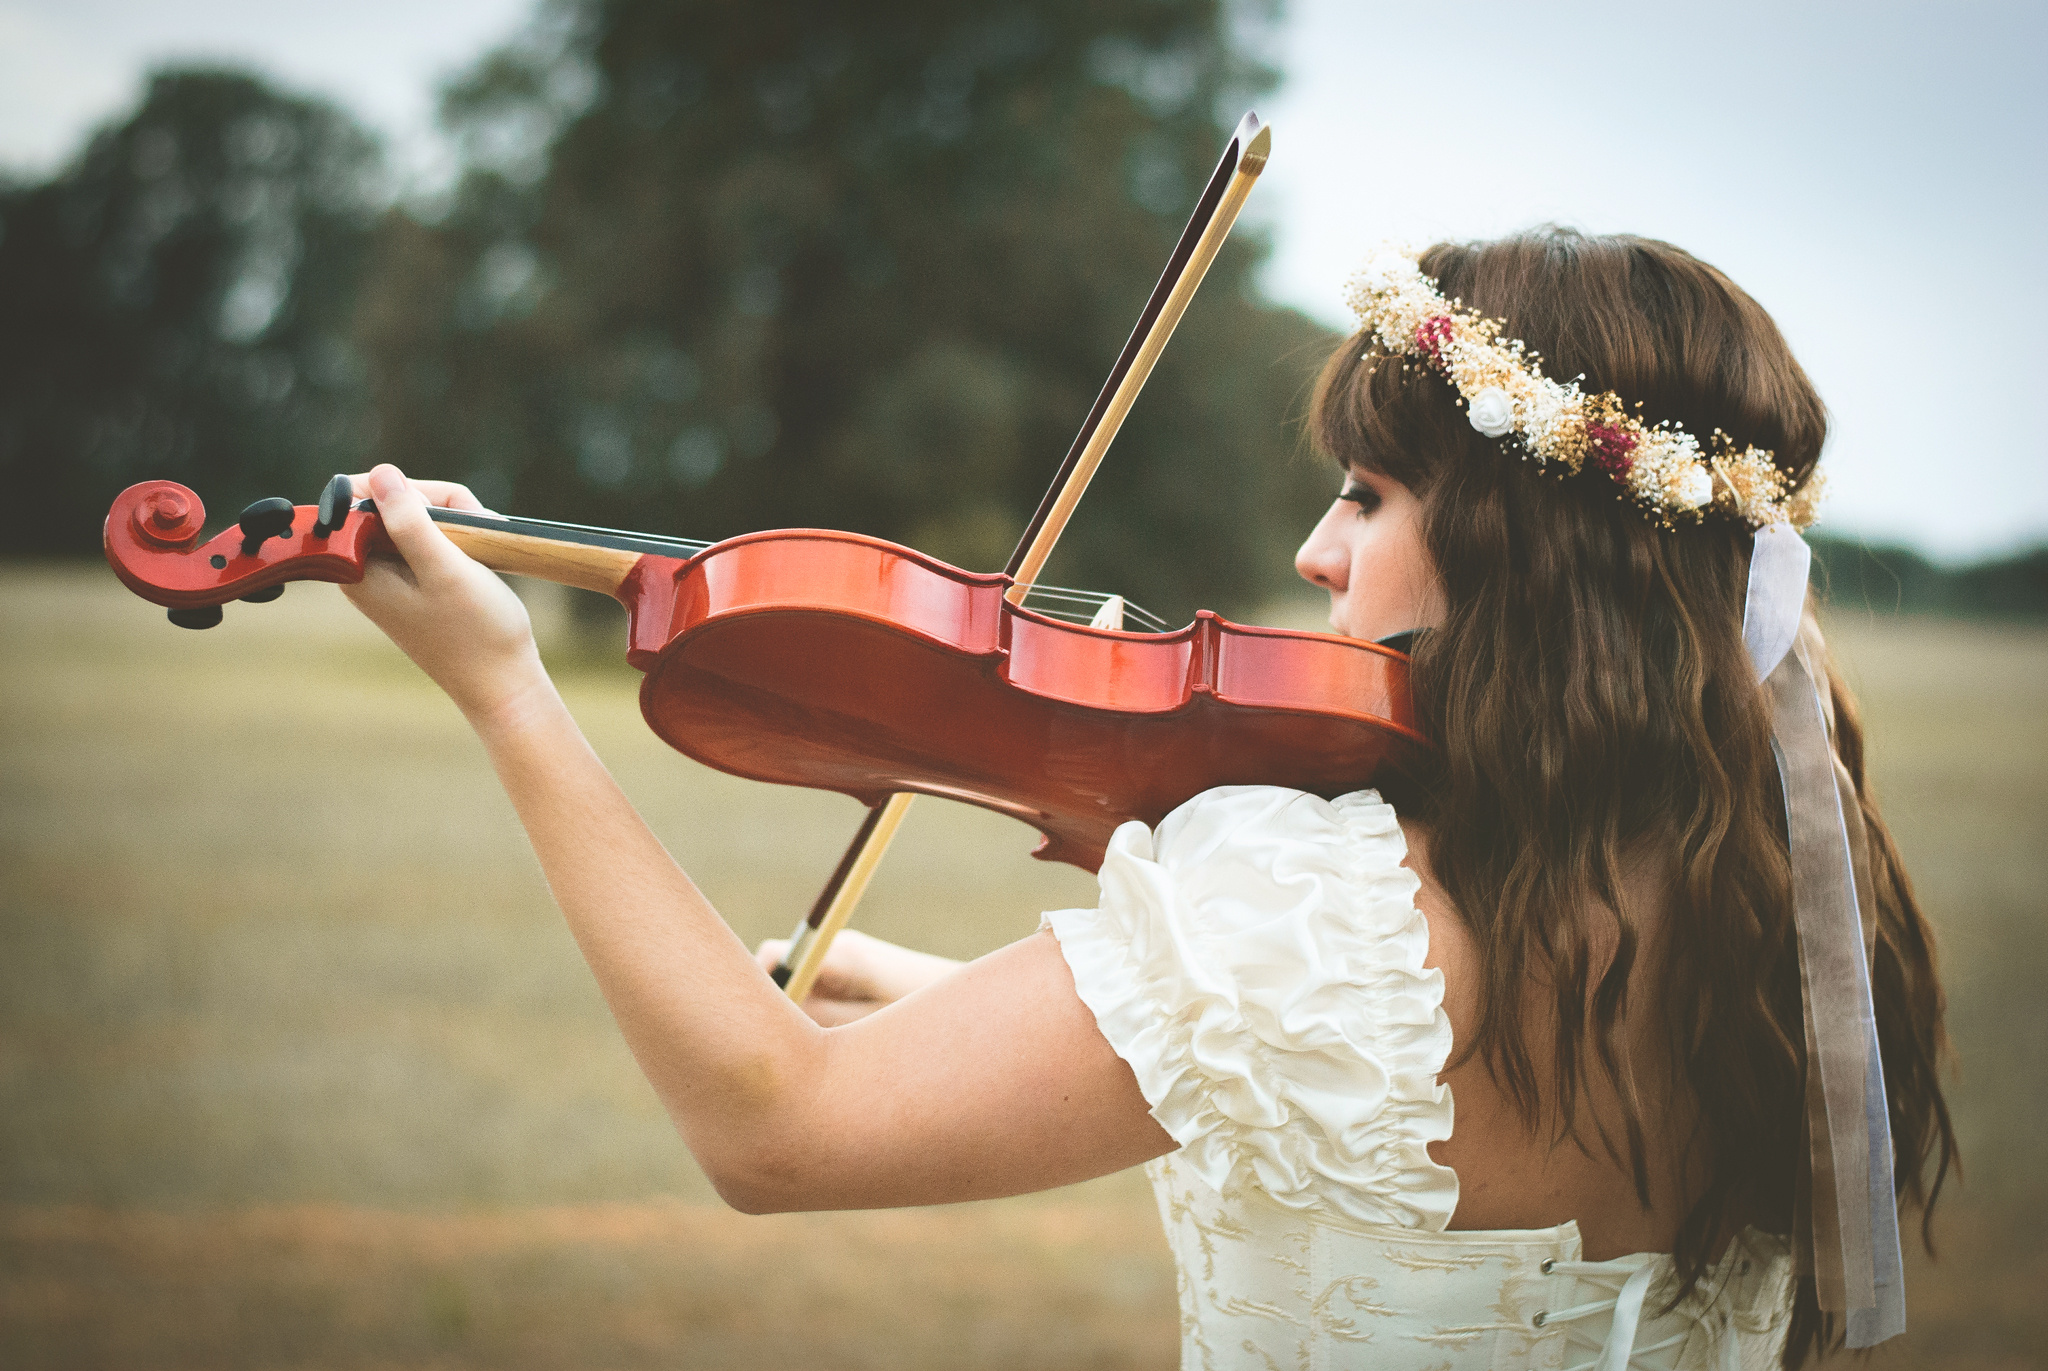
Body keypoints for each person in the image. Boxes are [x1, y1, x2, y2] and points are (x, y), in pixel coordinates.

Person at [341, 226, 1952, 1370]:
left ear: (1530, 554)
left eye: (1369, 494)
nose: (1320, 554)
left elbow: (777, 1133)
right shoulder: (1795, 926)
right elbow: (1352, 1109)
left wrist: (505, 688)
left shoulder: (1328, 911)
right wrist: (926, 997)